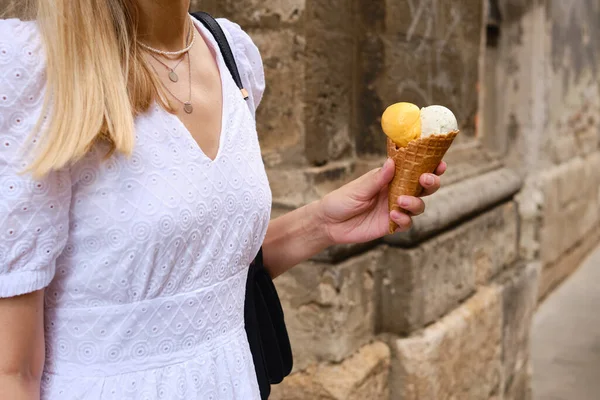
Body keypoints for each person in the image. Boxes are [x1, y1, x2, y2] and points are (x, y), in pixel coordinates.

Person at [0, 1, 446, 399]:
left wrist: (322, 225)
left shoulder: (230, 52)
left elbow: (201, 270)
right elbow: (11, 372)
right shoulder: (33, 67)